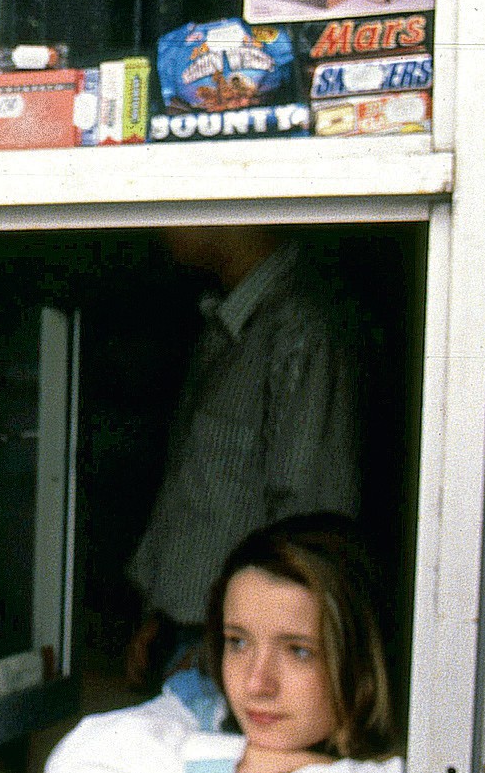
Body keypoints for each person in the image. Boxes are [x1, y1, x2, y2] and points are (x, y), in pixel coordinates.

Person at [45, 514, 404, 773]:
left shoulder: (421, 754)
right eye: (238, 642)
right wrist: (262, 765)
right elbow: (71, 767)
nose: (256, 684)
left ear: (363, 664)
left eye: (299, 651)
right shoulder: (206, 704)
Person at [125, 227, 360, 686]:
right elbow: (198, 493)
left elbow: (311, 526)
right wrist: (160, 612)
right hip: (191, 640)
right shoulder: (226, 324)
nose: (162, 219)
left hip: (242, 653)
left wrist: (241, 646)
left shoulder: (300, 329)